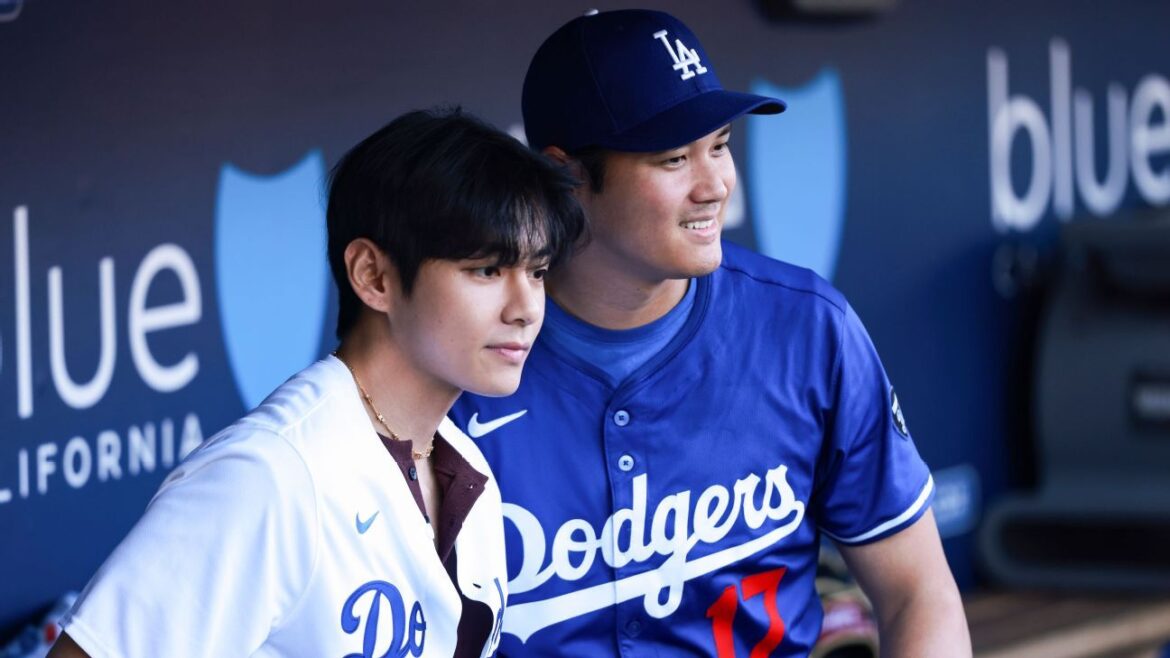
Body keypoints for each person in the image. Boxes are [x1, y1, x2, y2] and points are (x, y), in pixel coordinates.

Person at [448, 9, 972, 656]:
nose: (717, 185)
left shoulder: (807, 329)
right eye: (674, 158)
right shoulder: (461, 362)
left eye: (719, 145)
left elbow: (919, 592)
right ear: (567, 175)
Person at [48, 108, 584, 658]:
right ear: (373, 276)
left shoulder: (468, 471)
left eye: (537, 272)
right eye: (487, 270)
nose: (525, 308)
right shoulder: (271, 474)